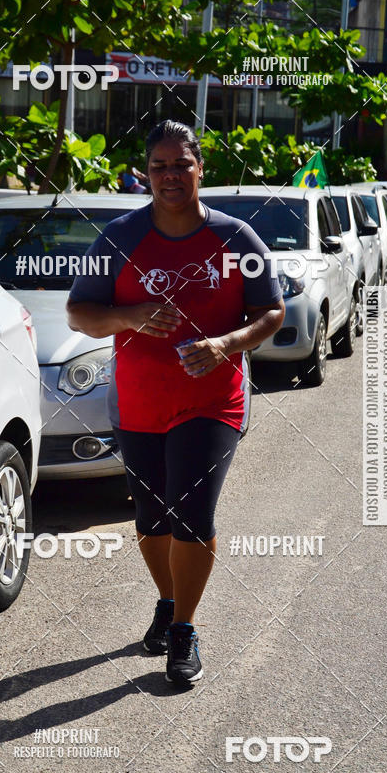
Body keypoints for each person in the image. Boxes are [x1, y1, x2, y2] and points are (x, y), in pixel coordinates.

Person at [66, 119, 285, 685]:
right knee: (150, 517)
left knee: (192, 511)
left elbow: (272, 312)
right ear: (145, 172)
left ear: (200, 169)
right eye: (159, 165)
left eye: (180, 164)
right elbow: (79, 313)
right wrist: (130, 316)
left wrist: (227, 345)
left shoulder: (236, 238)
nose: (169, 175)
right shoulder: (118, 237)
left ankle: (184, 631)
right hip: (139, 402)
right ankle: (168, 600)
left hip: (212, 401)